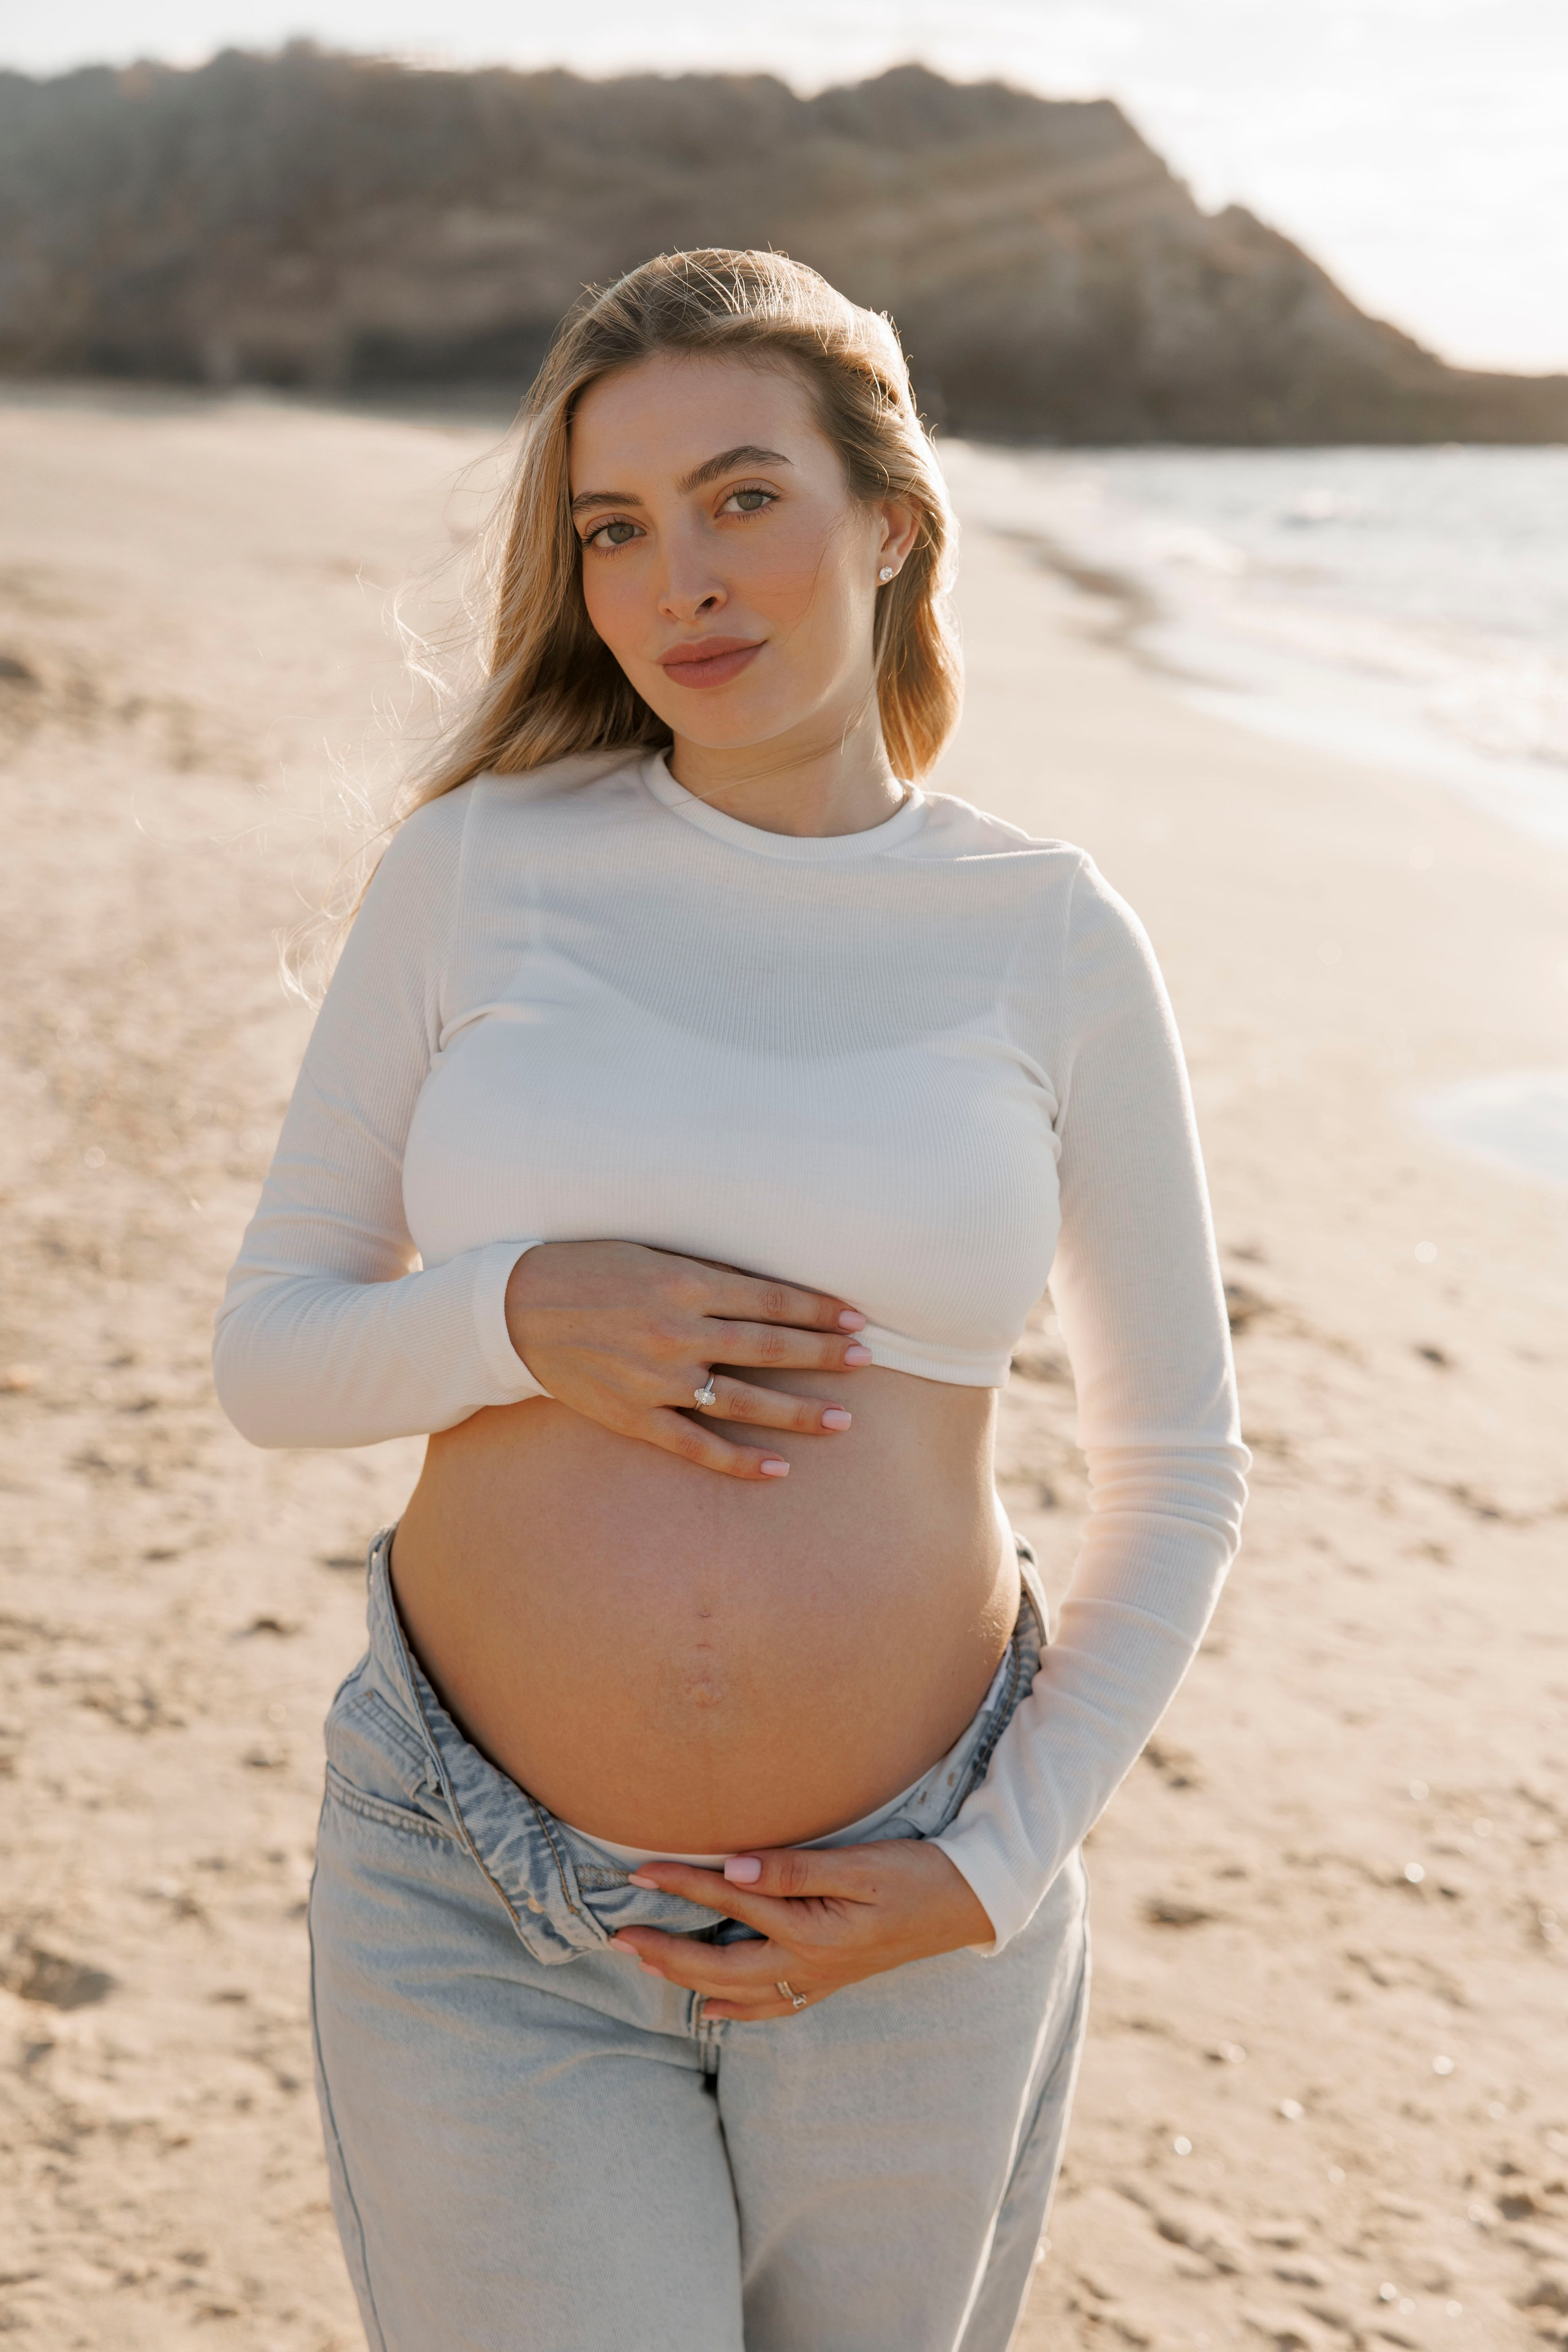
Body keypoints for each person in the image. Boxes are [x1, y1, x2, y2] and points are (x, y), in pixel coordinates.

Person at [214, 247, 1248, 2352]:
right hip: (469, 1880)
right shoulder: (481, 867)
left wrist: (997, 1864)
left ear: (893, 518)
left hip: (910, 1905)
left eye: (744, 495)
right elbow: (273, 1352)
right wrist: (520, 1312)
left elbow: (1181, 1468)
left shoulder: (1045, 934)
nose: (679, 573)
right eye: (615, 527)